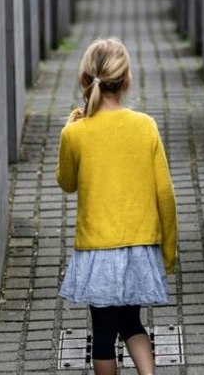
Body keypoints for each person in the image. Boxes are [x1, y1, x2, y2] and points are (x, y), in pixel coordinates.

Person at [57, 38, 178, 375]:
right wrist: (168, 249)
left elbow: (66, 183)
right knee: (132, 323)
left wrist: (70, 128)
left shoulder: (76, 133)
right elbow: (165, 195)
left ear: (85, 81)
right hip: (140, 247)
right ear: (127, 81)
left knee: (104, 335)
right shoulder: (146, 126)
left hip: (99, 250)